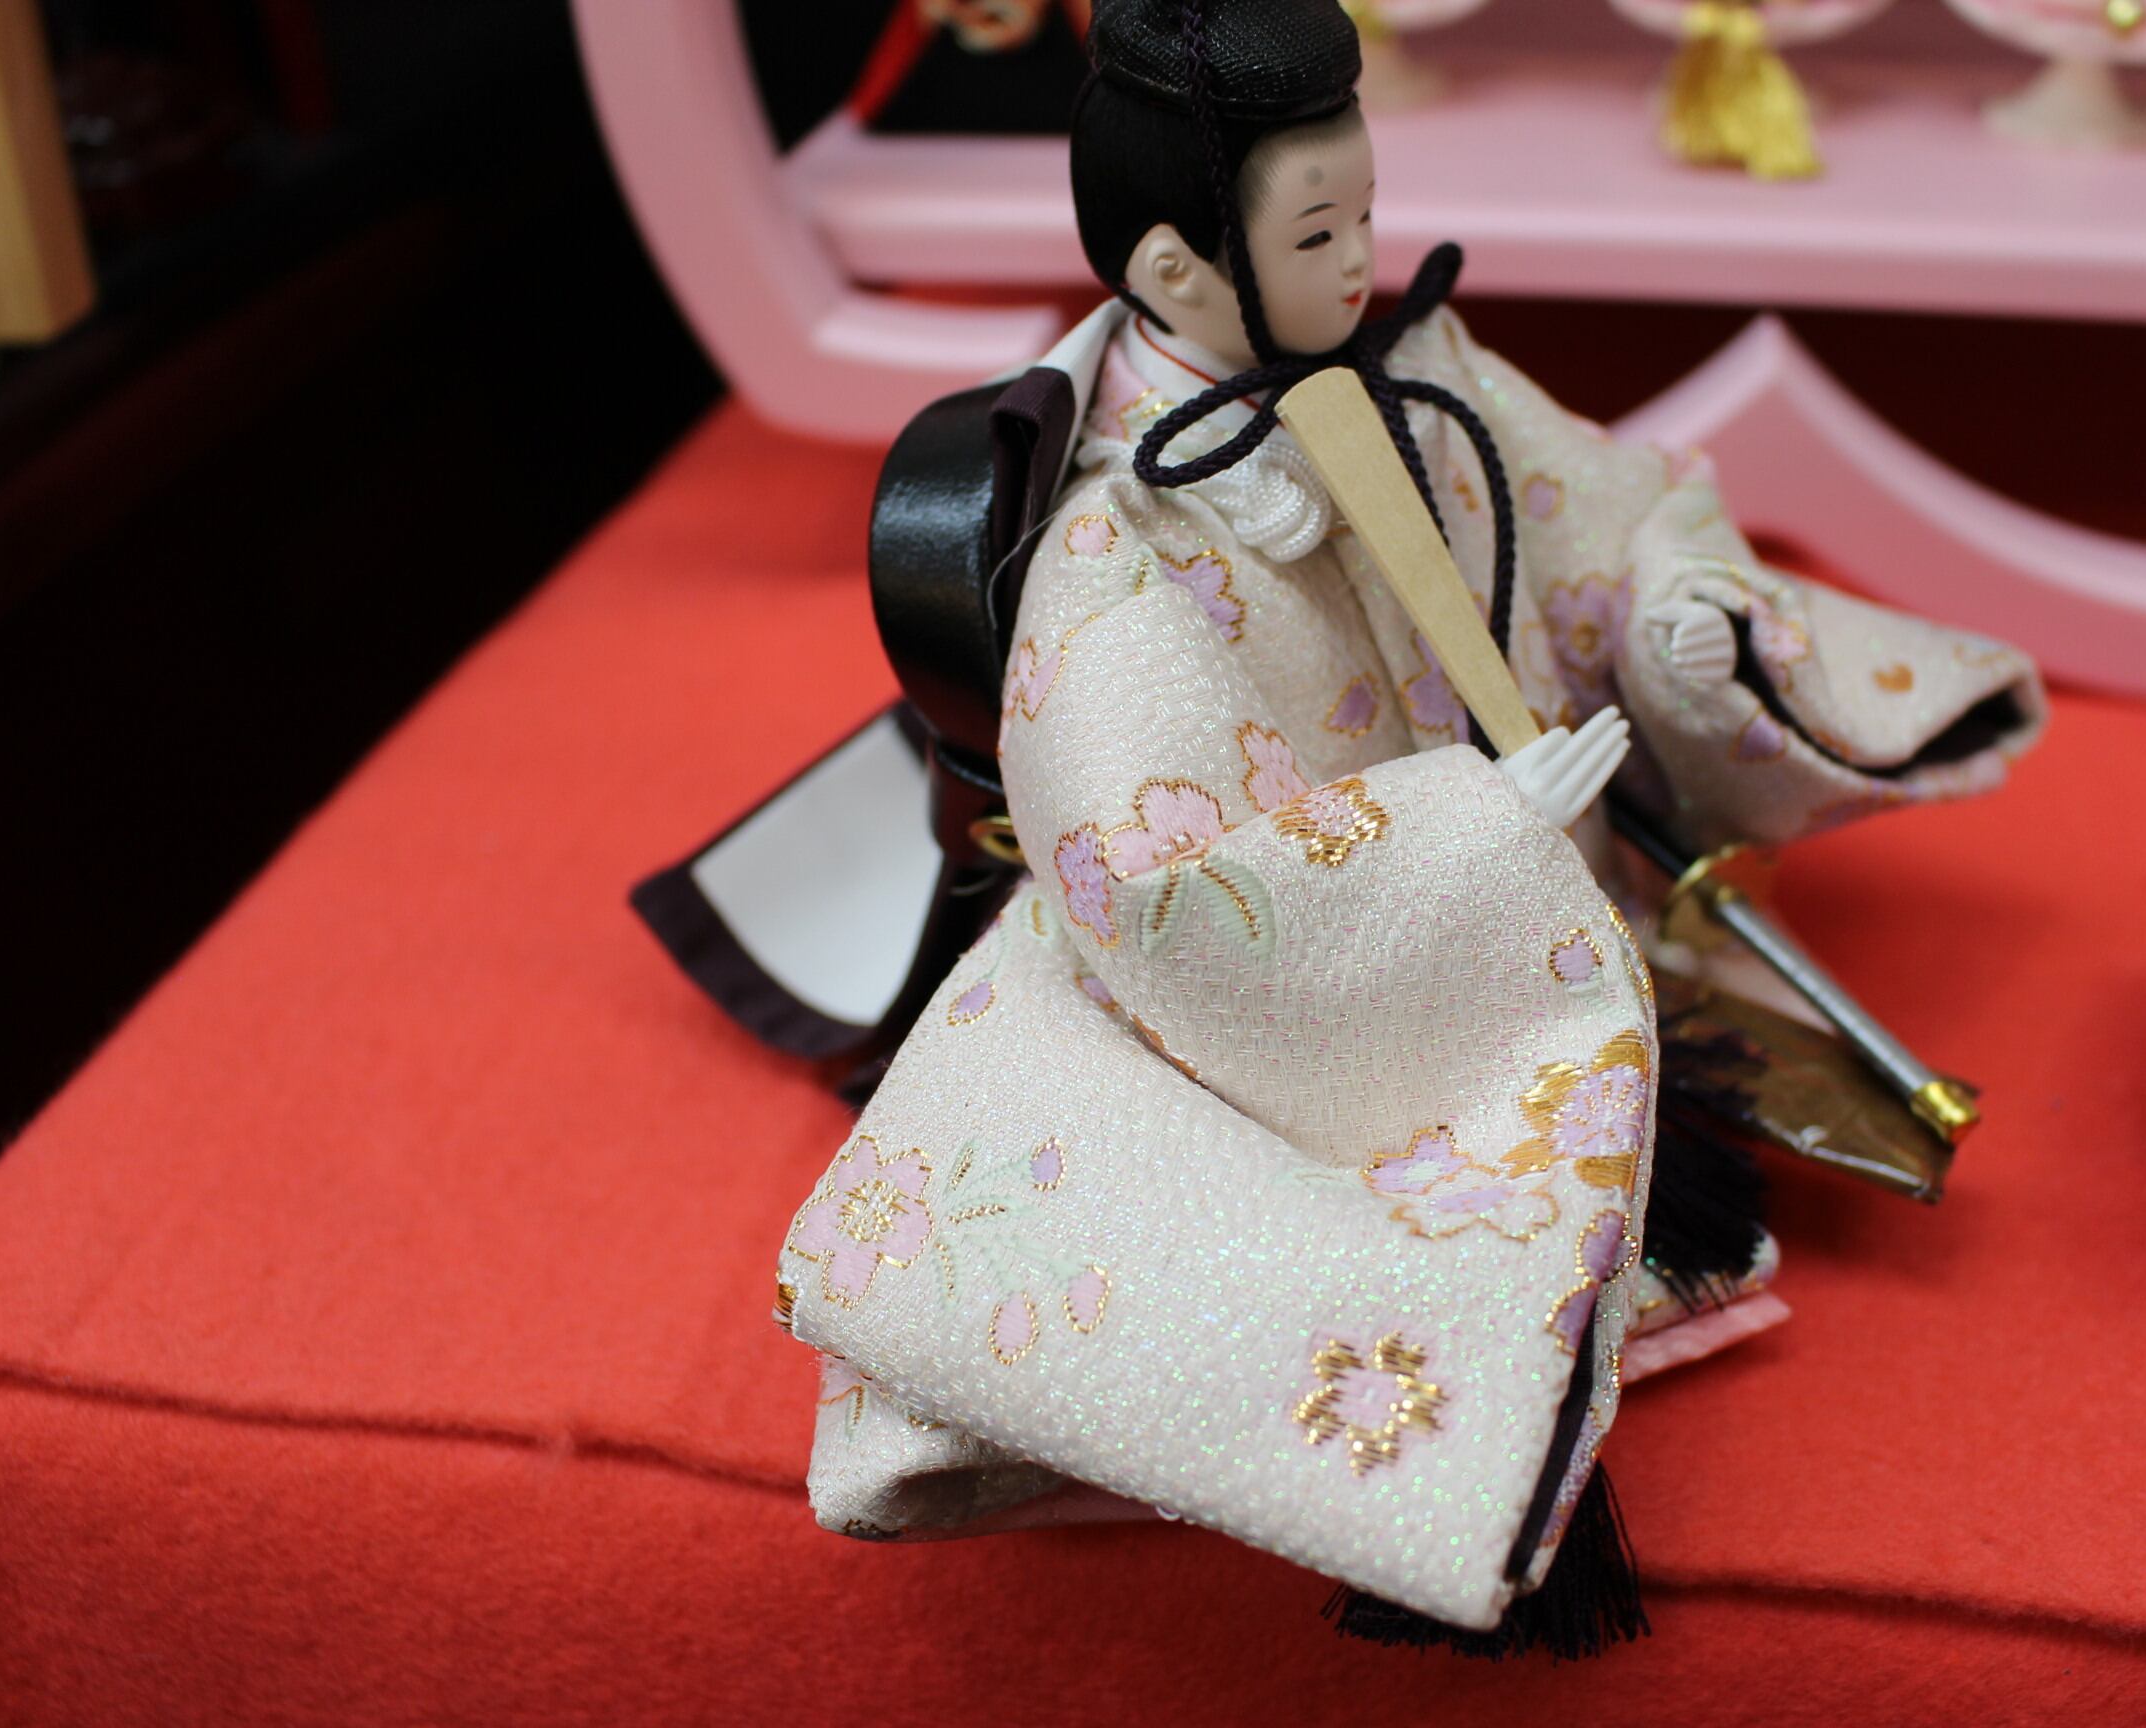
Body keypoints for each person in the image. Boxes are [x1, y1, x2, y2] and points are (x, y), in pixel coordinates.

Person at [773, 0, 2044, 1649]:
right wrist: (1466, 834)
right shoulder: (1112, 550)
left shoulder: (1419, 373)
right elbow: (1153, 884)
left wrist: (1683, 621)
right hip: (1307, 1002)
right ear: (1173, 269)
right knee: (1206, 1242)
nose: (1366, 258)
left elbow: (1614, 502)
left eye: (1366, 211)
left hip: (1559, 873)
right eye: (1320, 234)